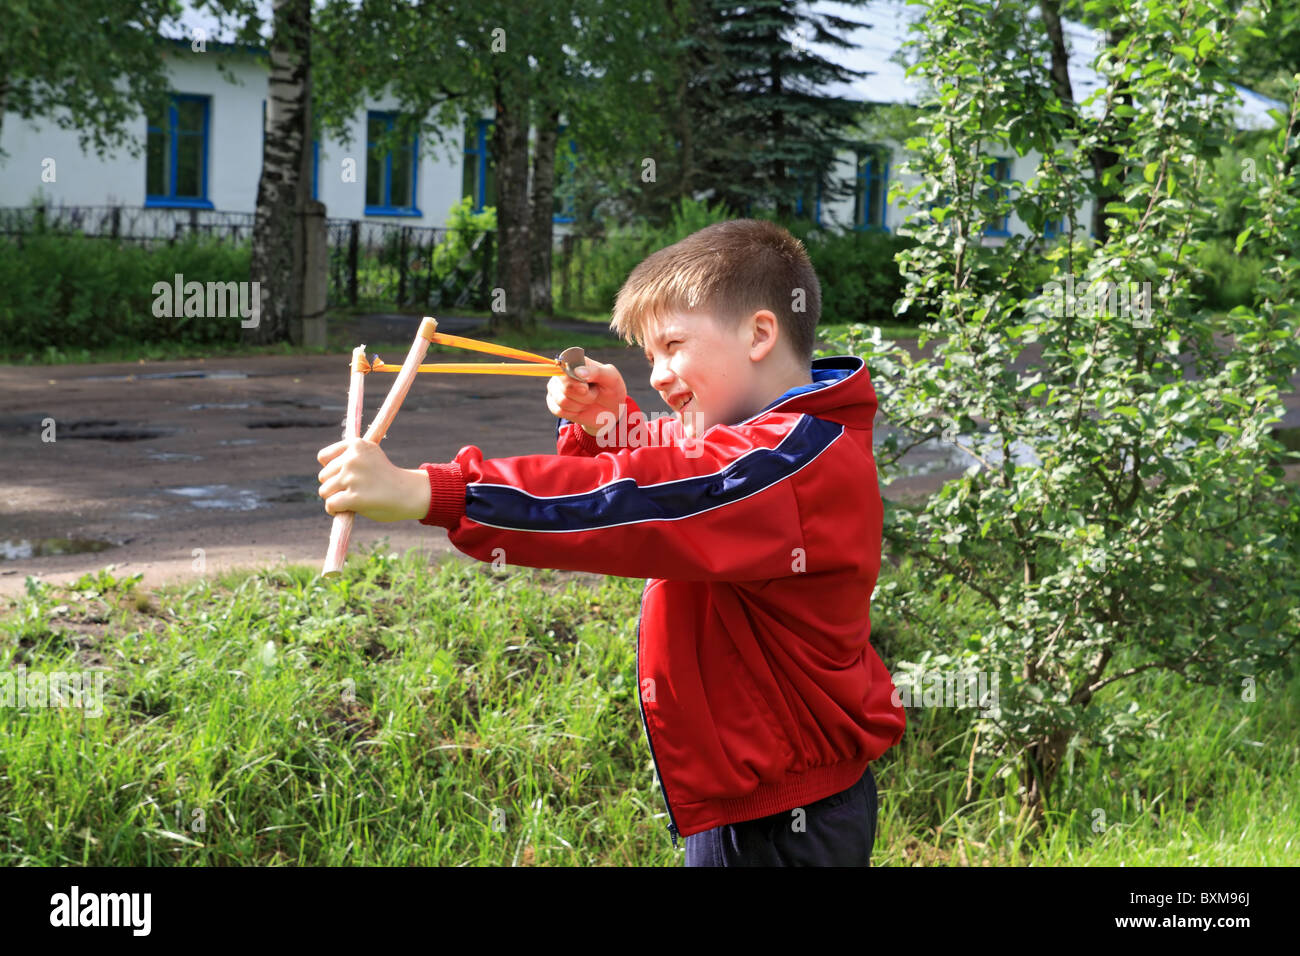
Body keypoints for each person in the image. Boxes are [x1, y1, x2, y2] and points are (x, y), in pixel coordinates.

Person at [316, 218, 906, 866]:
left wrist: (435, 492)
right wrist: (611, 425)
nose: (656, 373)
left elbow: (650, 498)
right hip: (764, 800)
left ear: (760, 333)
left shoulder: (793, 466)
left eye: (673, 344)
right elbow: (691, 474)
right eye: (649, 354)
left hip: (785, 825)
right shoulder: (785, 440)